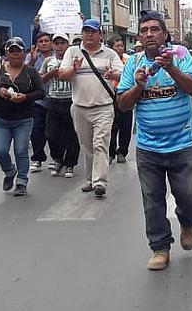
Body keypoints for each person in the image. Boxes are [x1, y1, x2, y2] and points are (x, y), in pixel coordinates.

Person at [116, 10, 192, 271]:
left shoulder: (180, 55)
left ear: (165, 34)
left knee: (188, 194)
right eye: (145, 30)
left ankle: (187, 222)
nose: (150, 34)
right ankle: (160, 248)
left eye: (155, 29)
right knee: (152, 200)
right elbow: (122, 104)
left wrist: (171, 68)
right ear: (140, 37)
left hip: (182, 143)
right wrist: (139, 86)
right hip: (148, 146)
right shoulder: (133, 63)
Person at [58, 18, 123, 197]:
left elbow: (123, 72)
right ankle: (90, 179)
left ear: (100, 35)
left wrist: (113, 73)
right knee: (87, 146)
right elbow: (62, 75)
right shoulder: (72, 51)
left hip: (103, 107)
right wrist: (74, 68)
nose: (89, 34)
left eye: (93, 31)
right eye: (86, 31)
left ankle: (100, 182)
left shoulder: (109, 54)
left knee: (100, 143)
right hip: (79, 107)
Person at [0, 36, 45, 196]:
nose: (15, 54)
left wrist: (25, 97)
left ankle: (22, 181)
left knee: (21, 150)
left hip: (23, 119)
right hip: (1, 119)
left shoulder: (30, 72)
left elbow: (40, 92)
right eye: (12, 51)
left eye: (18, 51)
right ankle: (10, 171)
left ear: (24, 54)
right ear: (6, 53)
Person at [42, 33, 79, 177]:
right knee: (51, 134)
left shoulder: (74, 61)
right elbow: (40, 79)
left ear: (67, 44)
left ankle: (70, 163)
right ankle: (57, 158)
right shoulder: (48, 60)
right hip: (53, 100)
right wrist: (50, 74)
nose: (59, 46)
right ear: (53, 45)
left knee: (71, 134)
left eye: (62, 43)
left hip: (70, 100)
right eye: (56, 43)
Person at [26, 31, 54, 173]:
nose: (43, 43)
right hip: (38, 101)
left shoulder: (58, 57)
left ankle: (57, 159)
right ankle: (37, 158)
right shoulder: (32, 58)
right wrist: (32, 60)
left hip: (55, 100)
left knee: (54, 132)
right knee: (36, 131)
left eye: (46, 41)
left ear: (51, 43)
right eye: (41, 41)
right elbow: (23, 74)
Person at [109, 36, 133, 163]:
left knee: (125, 125)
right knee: (112, 125)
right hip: (110, 94)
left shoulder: (128, 60)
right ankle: (110, 152)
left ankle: (122, 152)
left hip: (125, 94)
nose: (120, 48)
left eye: (121, 46)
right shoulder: (108, 60)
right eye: (117, 46)